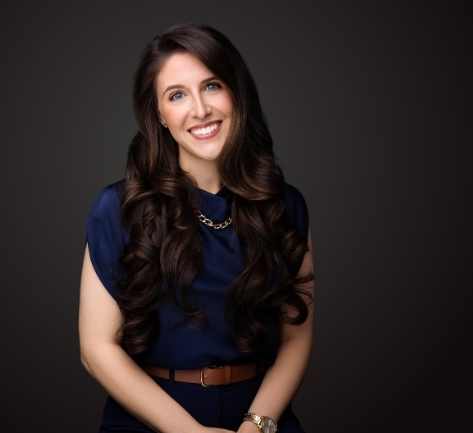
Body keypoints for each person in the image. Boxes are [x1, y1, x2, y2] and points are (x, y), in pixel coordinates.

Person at [78, 22, 315, 433]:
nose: (200, 109)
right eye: (177, 95)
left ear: (237, 92)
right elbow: (96, 348)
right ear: (159, 115)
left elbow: (296, 339)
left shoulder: (284, 205)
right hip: (151, 419)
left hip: (261, 415)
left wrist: (256, 425)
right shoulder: (117, 208)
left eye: (212, 86)